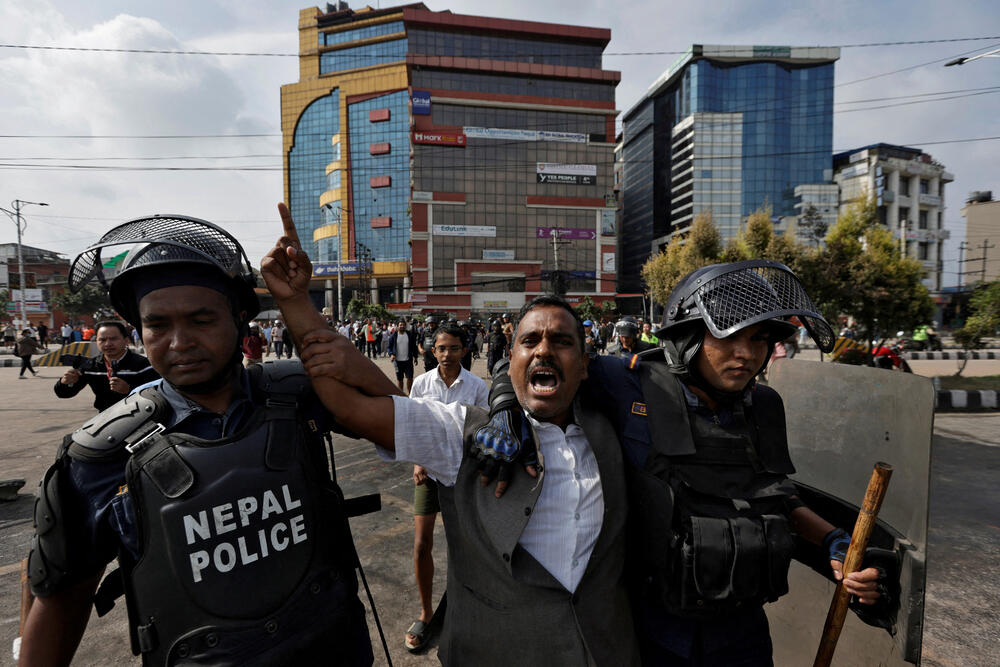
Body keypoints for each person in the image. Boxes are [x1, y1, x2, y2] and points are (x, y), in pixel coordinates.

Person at [261, 206, 639, 666]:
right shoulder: (460, 433)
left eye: (561, 341)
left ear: (585, 364)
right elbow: (347, 404)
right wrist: (297, 304)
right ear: (509, 361)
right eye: (530, 340)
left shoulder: (622, 429)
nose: (544, 348)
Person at [482, 260, 892, 665]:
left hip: (743, 630)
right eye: (728, 337)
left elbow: (775, 495)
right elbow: (528, 362)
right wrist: (504, 411)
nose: (746, 354)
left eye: (759, 339)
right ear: (688, 337)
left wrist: (834, 542)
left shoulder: (764, 405)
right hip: (653, 630)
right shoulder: (631, 382)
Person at [21, 213, 374, 666]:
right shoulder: (100, 454)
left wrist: (304, 313)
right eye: (158, 325)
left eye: (202, 319)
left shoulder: (296, 393)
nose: (179, 341)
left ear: (241, 320)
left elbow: (403, 418)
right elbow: (58, 601)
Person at [403, 322, 489, 652]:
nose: (447, 354)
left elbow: (484, 430)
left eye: (454, 348)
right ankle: (426, 613)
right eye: (441, 348)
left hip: (464, 477)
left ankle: (467, 612)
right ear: (432, 351)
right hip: (430, 475)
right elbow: (411, 427)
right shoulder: (422, 385)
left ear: (465, 351)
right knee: (422, 544)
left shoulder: (477, 386)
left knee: (465, 547)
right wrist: (418, 462)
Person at [54, 320, 159, 411]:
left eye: (113, 339)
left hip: (142, 418)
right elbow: (64, 394)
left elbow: (160, 395)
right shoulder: (90, 366)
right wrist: (65, 382)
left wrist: (130, 390)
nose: (108, 344)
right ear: (96, 341)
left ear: (126, 341)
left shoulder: (144, 365)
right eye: (102, 340)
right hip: (105, 420)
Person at [387, 318, 418, 393]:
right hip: (398, 362)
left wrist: (415, 357)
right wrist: (391, 354)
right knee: (400, 379)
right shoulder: (393, 336)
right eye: (400, 325)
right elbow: (389, 347)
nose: (402, 326)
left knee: (410, 378)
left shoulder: (409, 335)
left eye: (404, 325)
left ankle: (410, 393)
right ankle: (401, 394)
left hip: (408, 361)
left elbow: (414, 347)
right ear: (397, 326)